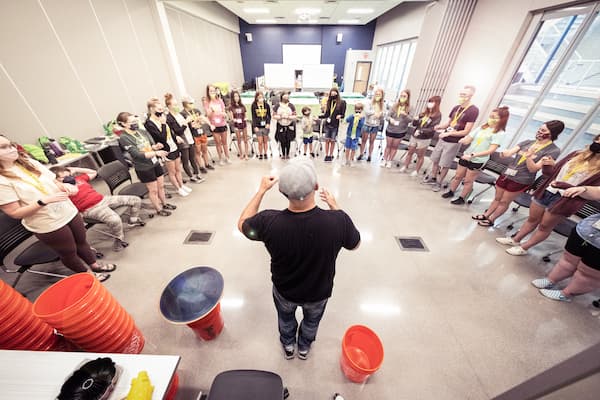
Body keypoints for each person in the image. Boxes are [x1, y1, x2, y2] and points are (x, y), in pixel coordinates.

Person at [238, 158, 360, 360]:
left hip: (285, 291)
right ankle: (304, 347)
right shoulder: (338, 220)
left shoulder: (268, 221)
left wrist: (261, 191)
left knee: (285, 318)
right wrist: (335, 206)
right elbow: (354, 244)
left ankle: (288, 345)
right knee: (312, 322)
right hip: (319, 292)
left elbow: (242, 224)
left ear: (282, 191)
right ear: (316, 186)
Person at [0, 135, 115, 281]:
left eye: (11, 145)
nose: (11, 149)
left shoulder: (28, 162)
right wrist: (42, 201)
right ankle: (89, 275)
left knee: (82, 242)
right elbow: (15, 213)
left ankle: (95, 265)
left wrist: (64, 186)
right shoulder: (2, 180)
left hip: (68, 210)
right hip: (48, 222)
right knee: (69, 252)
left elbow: (53, 181)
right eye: (3, 147)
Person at [498, 134, 600, 255]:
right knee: (532, 219)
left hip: (565, 199)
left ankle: (524, 247)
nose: (597, 143)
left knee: (544, 226)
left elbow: (593, 191)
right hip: (548, 190)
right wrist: (549, 165)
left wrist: (572, 187)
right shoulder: (576, 154)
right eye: (598, 140)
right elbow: (552, 173)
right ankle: (515, 240)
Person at [472, 120, 563, 226]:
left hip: (521, 179)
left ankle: (491, 219)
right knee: (497, 198)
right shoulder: (528, 142)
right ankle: (486, 214)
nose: (539, 131)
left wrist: (529, 156)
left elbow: (533, 169)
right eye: (540, 128)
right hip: (507, 174)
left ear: (552, 133)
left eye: (543, 130)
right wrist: (504, 154)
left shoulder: (553, 150)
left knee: (504, 201)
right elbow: (510, 152)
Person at [531, 185, 600, 302]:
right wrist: (584, 190)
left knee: (588, 273)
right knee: (568, 259)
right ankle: (550, 280)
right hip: (588, 230)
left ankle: (566, 294)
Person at [51, 166, 145, 252]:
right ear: (56, 180)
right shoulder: (59, 189)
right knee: (115, 220)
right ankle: (119, 239)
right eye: (64, 177)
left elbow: (94, 172)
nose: (69, 178)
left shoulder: (78, 179)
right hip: (91, 209)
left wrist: (76, 169)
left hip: (103, 199)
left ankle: (132, 221)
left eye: (69, 175)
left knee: (135, 200)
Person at [441, 107, 510, 205]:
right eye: (490, 116)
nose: (491, 119)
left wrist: (474, 155)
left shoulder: (500, 134)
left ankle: (462, 198)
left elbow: (491, 150)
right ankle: (451, 191)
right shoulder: (483, 127)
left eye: (494, 117)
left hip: (478, 160)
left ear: (502, 120)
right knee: (458, 176)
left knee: (468, 180)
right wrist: (463, 140)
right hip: (466, 155)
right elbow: (469, 138)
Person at [118, 111, 176, 217]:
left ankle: (164, 203)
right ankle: (158, 209)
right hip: (144, 167)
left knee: (161, 186)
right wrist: (156, 152)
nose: (135, 123)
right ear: (123, 124)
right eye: (132, 122)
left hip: (154, 162)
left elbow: (150, 144)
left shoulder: (141, 131)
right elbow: (136, 154)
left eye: (135, 121)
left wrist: (156, 146)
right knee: (153, 190)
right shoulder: (124, 138)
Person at [424, 85, 479, 192]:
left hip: (453, 142)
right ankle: (433, 177)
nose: (461, 96)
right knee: (435, 160)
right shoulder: (456, 107)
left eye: (464, 95)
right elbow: (448, 123)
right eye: (461, 94)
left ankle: (439, 183)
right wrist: (440, 126)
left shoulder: (473, 110)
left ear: (470, 96)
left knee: (445, 164)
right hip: (443, 138)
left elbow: (466, 131)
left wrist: (449, 134)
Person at [144, 98, 191, 197]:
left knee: (178, 168)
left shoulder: (162, 118)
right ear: (152, 109)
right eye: (158, 108)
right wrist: (163, 124)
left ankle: (181, 186)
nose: (161, 110)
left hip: (174, 145)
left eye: (161, 108)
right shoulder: (149, 123)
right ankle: (178, 188)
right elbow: (161, 137)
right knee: (172, 171)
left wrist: (176, 137)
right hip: (165, 149)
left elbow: (171, 131)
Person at [165, 93, 204, 184]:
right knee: (185, 160)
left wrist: (192, 125)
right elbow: (178, 131)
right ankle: (191, 176)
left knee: (193, 157)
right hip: (183, 141)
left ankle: (197, 173)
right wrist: (186, 122)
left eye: (176, 104)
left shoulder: (179, 115)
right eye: (174, 105)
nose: (176, 106)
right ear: (169, 106)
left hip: (189, 137)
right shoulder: (169, 118)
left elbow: (187, 127)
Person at [399, 96, 442, 176]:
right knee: (410, 151)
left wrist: (422, 131)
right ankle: (405, 166)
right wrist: (415, 119)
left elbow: (433, 128)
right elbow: (415, 124)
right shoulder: (424, 112)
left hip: (424, 138)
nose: (429, 104)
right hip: (415, 135)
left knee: (420, 155)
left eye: (432, 102)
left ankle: (416, 170)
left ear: (436, 104)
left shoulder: (437, 115)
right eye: (429, 102)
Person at [181, 96, 213, 173]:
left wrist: (210, 124)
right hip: (194, 134)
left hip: (201, 132)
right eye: (190, 103)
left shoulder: (196, 110)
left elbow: (203, 118)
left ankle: (207, 164)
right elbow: (183, 124)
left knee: (204, 149)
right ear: (185, 104)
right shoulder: (183, 113)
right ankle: (201, 166)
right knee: (197, 151)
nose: (192, 105)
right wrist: (190, 123)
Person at [381, 90, 411, 168]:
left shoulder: (410, 108)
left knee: (394, 146)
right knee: (388, 145)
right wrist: (390, 119)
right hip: (391, 128)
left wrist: (405, 115)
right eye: (401, 96)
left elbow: (411, 120)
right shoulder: (394, 106)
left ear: (407, 98)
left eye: (404, 96)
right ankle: (384, 159)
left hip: (400, 130)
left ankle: (390, 160)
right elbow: (387, 116)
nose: (402, 98)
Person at [204, 84, 231, 164]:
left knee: (224, 142)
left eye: (213, 91)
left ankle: (227, 157)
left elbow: (224, 112)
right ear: (208, 92)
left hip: (222, 124)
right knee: (218, 143)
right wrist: (211, 110)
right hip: (214, 125)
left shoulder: (220, 101)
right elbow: (208, 115)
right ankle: (220, 158)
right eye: (210, 91)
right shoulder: (207, 102)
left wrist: (224, 114)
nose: (212, 92)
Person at [358, 87, 385, 162]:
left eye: (379, 94)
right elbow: (367, 112)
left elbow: (383, 115)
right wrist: (375, 112)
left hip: (375, 125)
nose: (377, 95)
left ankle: (369, 155)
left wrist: (381, 114)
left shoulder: (382, 105)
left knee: (372, 141)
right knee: (364, 140)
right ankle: (361, 154)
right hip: (367, 124)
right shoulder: (369, 102)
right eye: (376, 94)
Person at [319, 88, 346, 162]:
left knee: (333, 140)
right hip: (327, 124)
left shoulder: (342, 102)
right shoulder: (329, 102)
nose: (333, 95)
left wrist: (340, 116)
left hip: (335, 125)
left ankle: (331, 155)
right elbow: (327, 114)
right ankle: (327, 155)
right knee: (327, 140)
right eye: (332, 93)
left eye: (334, 93)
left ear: (337, 93)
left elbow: (343, 114)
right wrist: (319, 117)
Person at [273, 91, 297, 159]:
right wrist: (280, 117)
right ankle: (283, 154)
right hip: (280, 125)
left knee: (288, 140)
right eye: (284, 96)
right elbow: (274, 116)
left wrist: (289, 117)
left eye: (287, 96)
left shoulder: (291, 105)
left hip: (289, 125)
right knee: (282, 140)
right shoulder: (277, 105)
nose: (286, 98)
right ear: (281, 97)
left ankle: (288, 154)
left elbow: (295, 116)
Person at [228, 90, 250, 160]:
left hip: (243, 124)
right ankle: (241, 153)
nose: (236, 98)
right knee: (239, 141)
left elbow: (245, 115)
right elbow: (231, 117)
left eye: (237, 96)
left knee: (245, 140)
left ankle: (246, 154)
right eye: (235, 96)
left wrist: (246, 118)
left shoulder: (242, 106)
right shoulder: (231, 107)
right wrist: (233, 119)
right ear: (232, 97)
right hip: (236, 125)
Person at [250, 91, 271, 160]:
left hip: (265, 126)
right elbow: (253, 117)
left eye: (262, 97)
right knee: (260, 142)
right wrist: (255, 126)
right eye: (259, 97)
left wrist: (268, 123)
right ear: (256, 98)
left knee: (265, 141)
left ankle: (265, 153)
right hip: (258, 127)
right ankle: (261, 154)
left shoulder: (266, 105)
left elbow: (269, 116)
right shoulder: (254, 105)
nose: (261, 98)